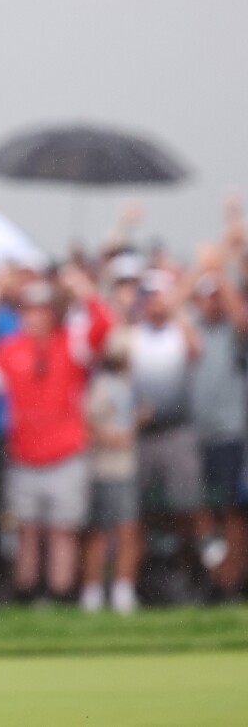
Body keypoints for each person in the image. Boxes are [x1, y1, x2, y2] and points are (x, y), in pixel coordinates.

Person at [0, 269, 111, 603]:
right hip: (23, 453)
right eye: (29, 309)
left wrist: (84, 287)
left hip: (66, 453)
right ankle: (27, 595)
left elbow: (103, 328)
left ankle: (59, 595)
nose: (35, 316)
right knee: (26, 531)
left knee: (62, 531)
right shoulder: (8, 349)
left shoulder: (72, 343)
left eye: (42, 309)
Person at [130, 270, 215, 592]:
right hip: (142, 435)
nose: (154, 303)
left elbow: (196, 350)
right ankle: (141, 580)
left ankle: (193, 571)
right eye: (149, 297)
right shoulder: (135, 334)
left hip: (178, 431)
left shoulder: (180, 331)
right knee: (136, 511)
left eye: (159, 296)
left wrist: (176, 306)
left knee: (187, 506)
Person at [185, 249, 248, 602]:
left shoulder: (234, 332)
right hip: (196, 437)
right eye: (206, 296)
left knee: (232, 512)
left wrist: (219, 272)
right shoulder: (192, 328)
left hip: (230, 436)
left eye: (216, 296)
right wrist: (199, 269)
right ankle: (214, 574)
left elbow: (240, 317)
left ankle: (230, 581)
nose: (212, 302)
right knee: (200, 511)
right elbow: (173, 305)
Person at [81, 332, 141, 614]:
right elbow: (89, 422)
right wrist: (113, 437)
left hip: (128, 467)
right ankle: (92, 591)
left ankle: (122, 590)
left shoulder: (136, 385)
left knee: (128, 530)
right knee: (100, 533)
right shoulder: (101, 385)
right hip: (103, 468)